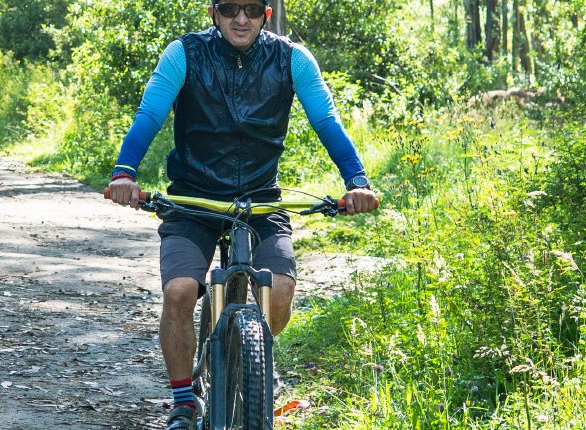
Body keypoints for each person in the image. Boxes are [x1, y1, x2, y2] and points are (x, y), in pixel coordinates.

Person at [99, 1, 381, 428]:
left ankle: (253, 357)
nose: (240, 19)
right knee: (178, 291)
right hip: (193, 200)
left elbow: (326, 120)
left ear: (266, 14)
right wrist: (124, 172)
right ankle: (183, 401)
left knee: (280, 293)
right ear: (214, 13)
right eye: (230, 8)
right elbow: (150, 115)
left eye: (250, 8)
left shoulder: (291, 59)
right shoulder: (185, 54)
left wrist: (356, 181)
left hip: (261, 199)